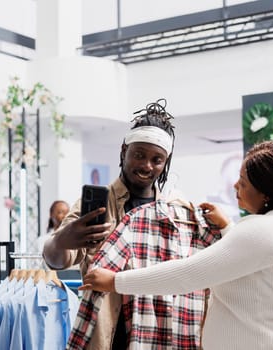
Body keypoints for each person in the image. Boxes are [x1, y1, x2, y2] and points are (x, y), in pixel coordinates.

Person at [80, 141, 273, 350]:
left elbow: (188, 274)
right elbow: (250, 270)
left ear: (266, 193)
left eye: (243, 182)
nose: (235, 186)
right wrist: (228, 228)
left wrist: (115, 281)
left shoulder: (264, 229)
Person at [43, 99, 221, 349]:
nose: (146, 166)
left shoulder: (176, 213)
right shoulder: (99, 206)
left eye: (156, 159)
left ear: (165, 162)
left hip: (161, 335)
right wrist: (61, 240)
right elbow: (56, 259)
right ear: (123, 150)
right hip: (108, 336)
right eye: (139, 155)